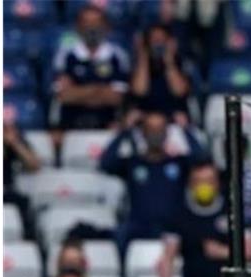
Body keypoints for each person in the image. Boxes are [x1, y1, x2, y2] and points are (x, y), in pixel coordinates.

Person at [100, 111, 208, 251]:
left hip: (174, 225)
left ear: (166, 132)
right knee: (121, 234)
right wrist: (125, 130)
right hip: (139, 225)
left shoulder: (178, 163)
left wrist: (185, 129)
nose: (155, 134)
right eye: (151, 129)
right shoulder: (133, 163)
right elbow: (105, 163)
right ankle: (123, 272)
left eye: (160, 129)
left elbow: (202, 160)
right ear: (143, 133)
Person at [50, 4, 131, 132]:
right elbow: (64, 96)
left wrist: (79, 91)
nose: (92, 27)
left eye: (96, 22)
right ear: (77, 26)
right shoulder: (66, 55)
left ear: (106, 26)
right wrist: (99, 90)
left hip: (109, 125)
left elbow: (116, 97)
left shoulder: (118, 56)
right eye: (86, 22)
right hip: (71, 126)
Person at [129, 24, 195, 125]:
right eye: (154, 40)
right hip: (146, 116)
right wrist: (143, 57)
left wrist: (169, 61)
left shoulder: (181, 63)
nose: (158, 44)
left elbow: (180, 91)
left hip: (173, 115)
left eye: (161, 40)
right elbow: (139, 91)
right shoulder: (139, 65)